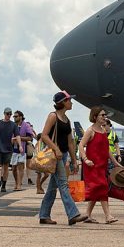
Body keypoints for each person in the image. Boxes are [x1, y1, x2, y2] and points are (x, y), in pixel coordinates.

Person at [38, 90, 87, 225]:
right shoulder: (53, 116)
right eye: (69, 100)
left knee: (53, 187)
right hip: (55, 155)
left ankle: (44, 215)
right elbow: (44, 135)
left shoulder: (66, 119)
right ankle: (73, 214)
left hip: (63, 155)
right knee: (63, 184)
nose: (71, 102)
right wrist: (56, 149)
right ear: (63, 103)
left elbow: (70, 141)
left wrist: (74, 160)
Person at [79, 107, 124, 224]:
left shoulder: (104, 131)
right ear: (95, 117)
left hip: (102, 165)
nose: (105, 117)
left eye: (105, 115)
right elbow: (81, 146)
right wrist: (85, 159)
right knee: (102, 187)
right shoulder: (90, 131)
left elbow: (107, 150)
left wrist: (115, 163)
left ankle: (87, 215)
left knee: (97, 190)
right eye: (102, 115)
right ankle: (108, 216)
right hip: (92, 166)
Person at [0, 107, 17, 192]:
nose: (9, 115)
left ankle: (3, 185)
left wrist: (19, 145)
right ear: (4, 113)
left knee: (5, 167)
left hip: (8, 148)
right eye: (7, 114)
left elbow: (17, 135)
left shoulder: (13, 125)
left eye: (10, 114)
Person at [11, 111, 35, 191]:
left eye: (16, 116)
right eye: (14, 116)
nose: (14, 117)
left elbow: (30, 138)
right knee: (14, 168)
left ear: (20, 117)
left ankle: (19, 184)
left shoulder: (26, 126)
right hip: (13, 149)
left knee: (20, 167)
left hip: (22, 149)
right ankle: (16, 182)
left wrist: (19, 138)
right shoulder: (13, 125)